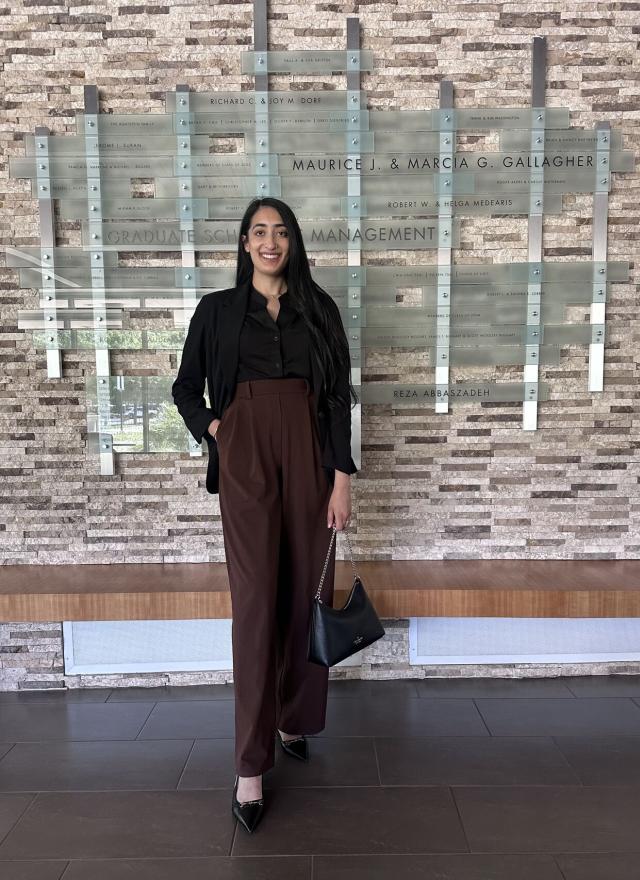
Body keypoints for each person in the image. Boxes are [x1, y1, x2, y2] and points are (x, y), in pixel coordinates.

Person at [171, 196, 358, 832]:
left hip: (310, 453)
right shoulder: (217, 311)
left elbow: (337, 399)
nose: (270, 242)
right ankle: (249, 765)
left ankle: (293, 718)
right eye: (259, 232)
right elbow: (184, 387)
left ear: (293, 242)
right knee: (254, 603)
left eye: (280, 232)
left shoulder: (319, 309)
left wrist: (341, 479)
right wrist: (216, 428)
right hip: (246, 453)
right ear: (245, 243)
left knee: (308, 591)